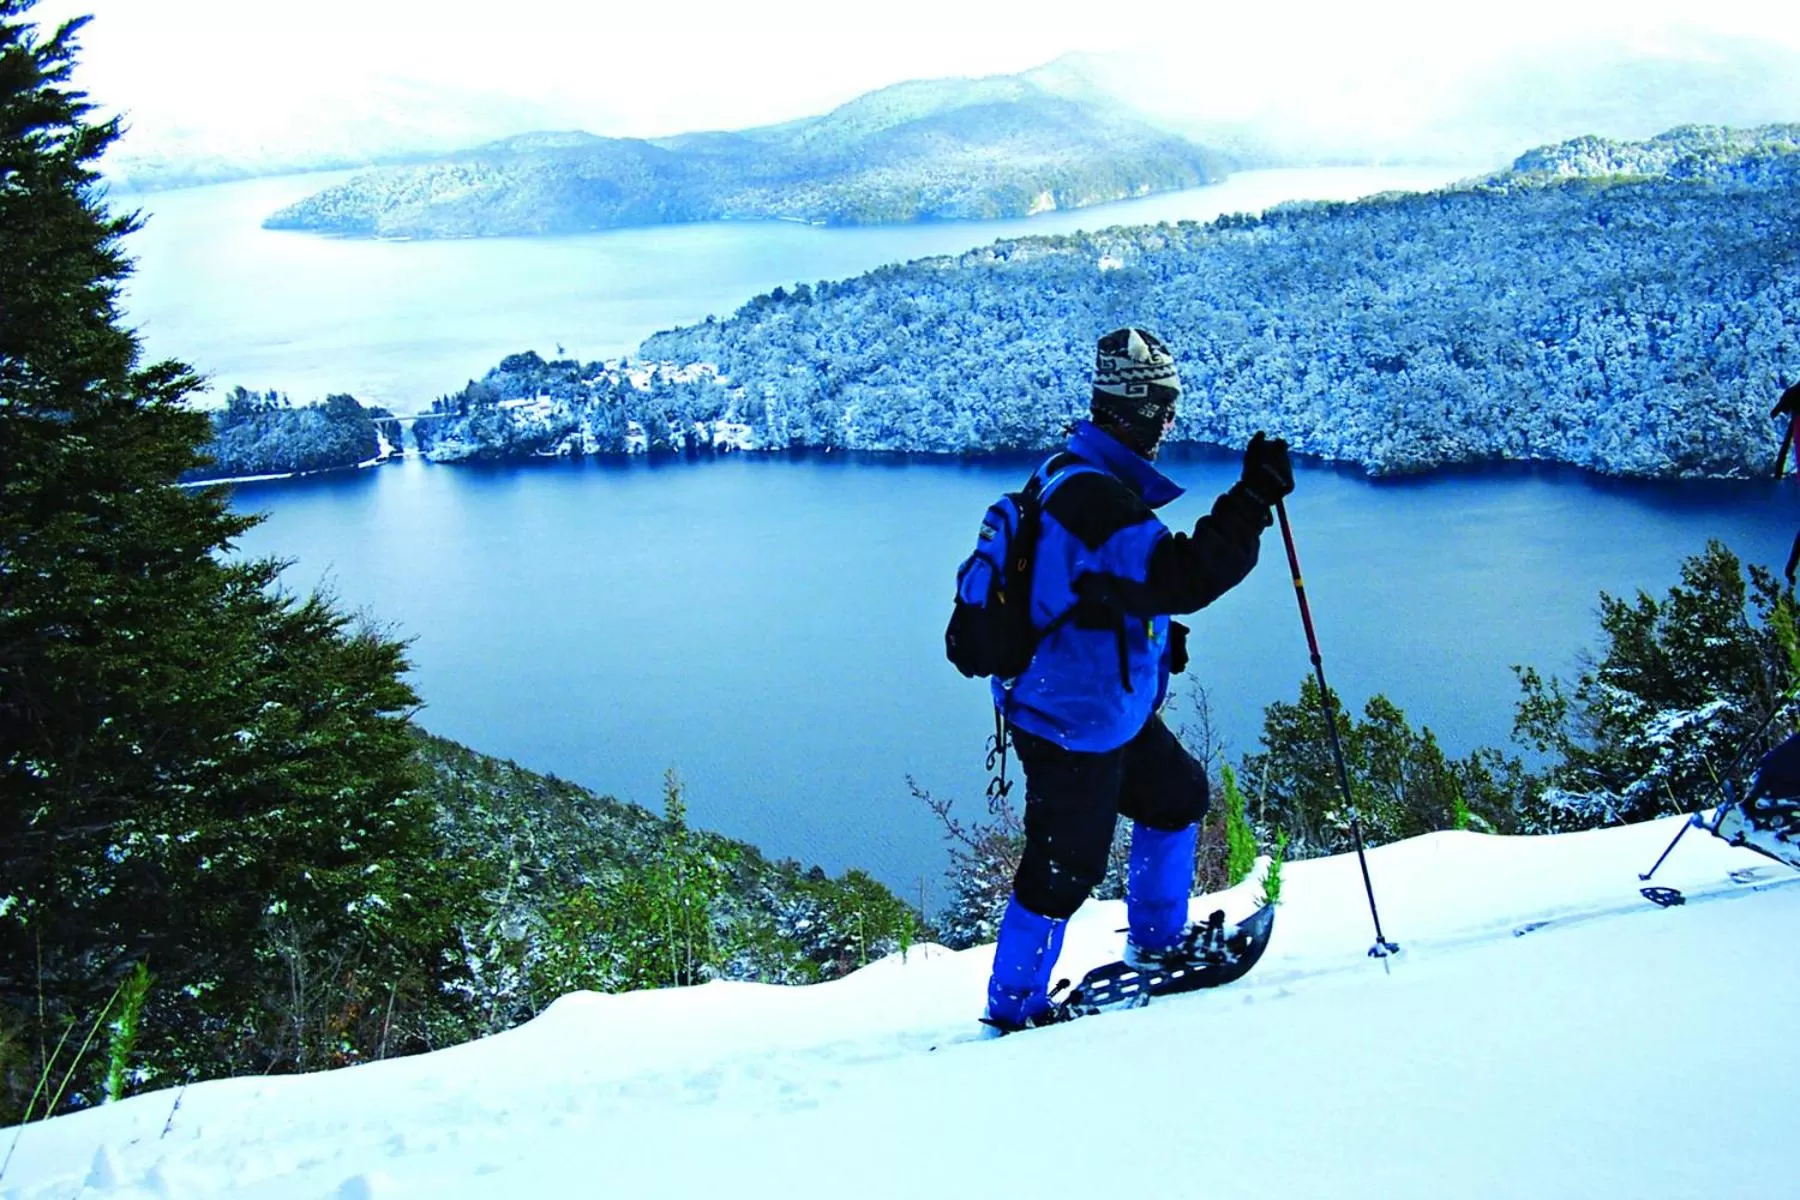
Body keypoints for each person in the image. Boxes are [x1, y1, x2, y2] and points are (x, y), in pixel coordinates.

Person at [982, 326, 1293, 1031]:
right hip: (1071, 721)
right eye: (1166, 408)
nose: (1170, 424)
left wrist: (1151, 638)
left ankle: (1160, 941)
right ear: (1144, 411)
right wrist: (1252, 499)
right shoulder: (1095, 500)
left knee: (1177, 795)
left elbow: (1095, 586)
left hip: (1099, 704)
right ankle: (1013, 1007)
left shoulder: (1076, 472)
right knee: (1064, 868)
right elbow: (1181, 575)